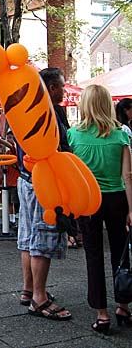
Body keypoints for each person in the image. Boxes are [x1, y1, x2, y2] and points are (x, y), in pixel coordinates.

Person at [67, 84, 132, 334]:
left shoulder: (73, 136)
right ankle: (123, 306)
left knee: (93, 257)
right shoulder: (120, 135)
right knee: (121, 255)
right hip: (117, 199)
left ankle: (101, 314)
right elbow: (128, 176)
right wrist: (131, 210)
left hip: (88, 201)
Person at [17, 68, 72, 320]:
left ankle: (29, 291)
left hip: (27, 179)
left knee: (29, 238)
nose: (64, 90)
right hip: (42, 182)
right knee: (42, 238)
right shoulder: (45, 112)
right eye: (61, 86)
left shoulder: (25, 107)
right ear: (51, 88)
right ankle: (38, 298)